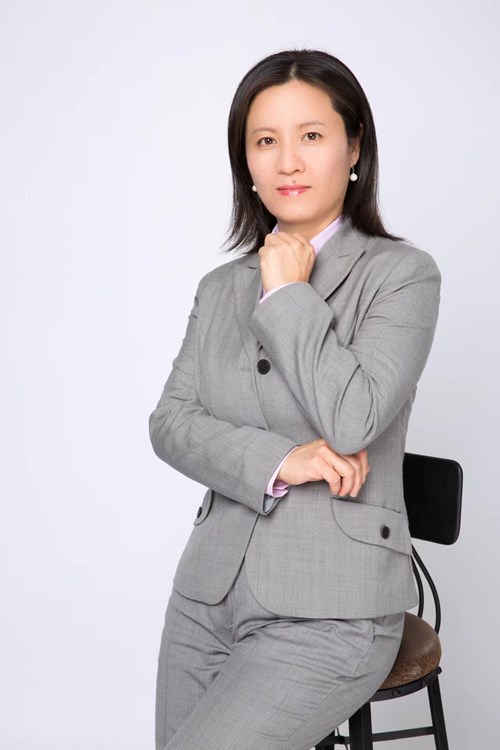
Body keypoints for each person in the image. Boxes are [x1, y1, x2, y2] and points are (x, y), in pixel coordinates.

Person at [148, 48, 441, 750]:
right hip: (206, 596)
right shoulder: (220, 288)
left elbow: (353, 418)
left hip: (334, 609)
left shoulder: (402, 275)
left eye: (311, 135)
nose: (287, 162)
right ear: (245, 162)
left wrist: (285, 294)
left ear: (354, 147)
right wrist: (283, 460)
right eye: (264, 141)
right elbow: (171, 424)